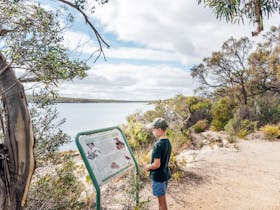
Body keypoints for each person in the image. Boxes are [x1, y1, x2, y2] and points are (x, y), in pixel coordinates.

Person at [145, 117, 172, 210]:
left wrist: (148, 167)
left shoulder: (158, 145)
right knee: (163, 200)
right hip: (165, 175)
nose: (152, 131)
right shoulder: (168, 142)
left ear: (159, 130)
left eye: (153, 129)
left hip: (158, 177)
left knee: (161, 203)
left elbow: (156, 164)